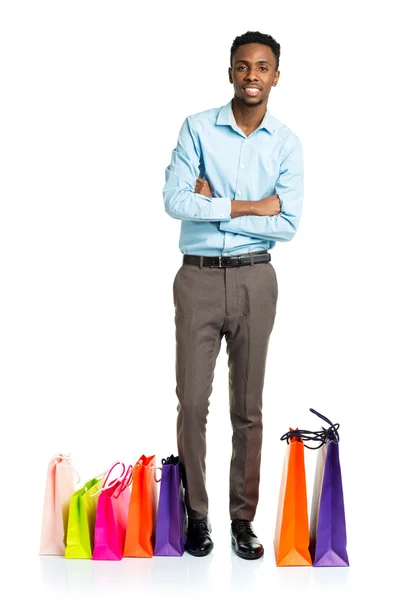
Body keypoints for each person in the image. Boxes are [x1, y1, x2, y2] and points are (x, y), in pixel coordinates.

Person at [163, 30, 303, 560]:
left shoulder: (286, 144)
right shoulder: (196, 128)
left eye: (262, 67)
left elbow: (287, 223)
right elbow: (176, 201)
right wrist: (248, 206)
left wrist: (216, 202)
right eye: (243, 66)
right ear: (230, 72)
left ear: (275, 76)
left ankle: (242, 519)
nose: (252, 75)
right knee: (193, 402)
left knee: (248, 408)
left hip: (255, 280)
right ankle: (196, 516)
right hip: (196, 278)